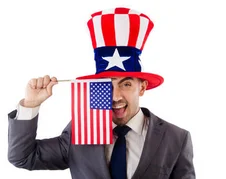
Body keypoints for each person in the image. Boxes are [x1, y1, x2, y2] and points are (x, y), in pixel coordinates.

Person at [6, 7, 195, 179]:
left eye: (126, 84)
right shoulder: (80, 131)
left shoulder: (175, 138)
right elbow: (23, 157)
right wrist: (31, 105)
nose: (115, 96)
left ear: (142, 87)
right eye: (107, 85)